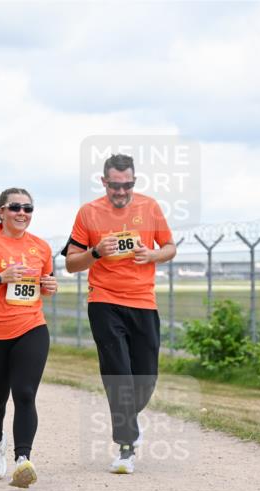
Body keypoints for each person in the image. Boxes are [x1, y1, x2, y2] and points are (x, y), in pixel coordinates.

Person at [63, 153, 177, 474]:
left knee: (145, 378)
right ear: (104, 182)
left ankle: (131, 421)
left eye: (128, 185)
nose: (122, 192)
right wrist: (96, 252)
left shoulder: (150, 207)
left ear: (134, 182)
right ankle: (125, 447)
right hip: (104, 301)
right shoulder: (89, 213)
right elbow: (71, 264)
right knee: (118, 374)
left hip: (143, 302)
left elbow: (170, 247)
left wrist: (152, 254)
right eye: (115, 186)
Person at [0, 188, 57, 489]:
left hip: (31, 327)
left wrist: (49, 286)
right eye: (15, 207)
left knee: (25, 393)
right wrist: (0, 278)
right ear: (1, 211)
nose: (22, 213)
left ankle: (23, 460)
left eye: (28, 208)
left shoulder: (41, 247)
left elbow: (42, 286)